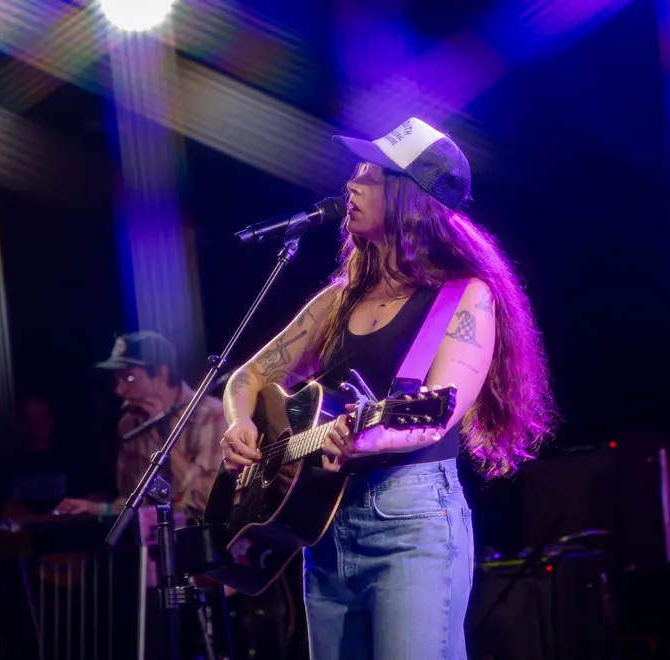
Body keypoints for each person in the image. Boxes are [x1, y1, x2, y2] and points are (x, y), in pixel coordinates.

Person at [220, 117, 557, 659]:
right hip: (322, 527)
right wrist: (239, 422)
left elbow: (437, 412)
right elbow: (251, 375)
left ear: (409, 197)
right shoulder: (338, 300)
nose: (349, 185)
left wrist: (361, 440)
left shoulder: (465, 298)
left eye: (369, 176)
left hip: (410, 522)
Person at [55, 331, 226, 520]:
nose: (119, 391)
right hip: (152, 541)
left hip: (203, 539)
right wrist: (97, 509)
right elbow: (136, 503)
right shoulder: (130, 423)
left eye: (129, 378)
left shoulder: (211, 414)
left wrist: (165, 439)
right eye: (116, 380)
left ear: (162, 373)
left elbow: (209, 500)